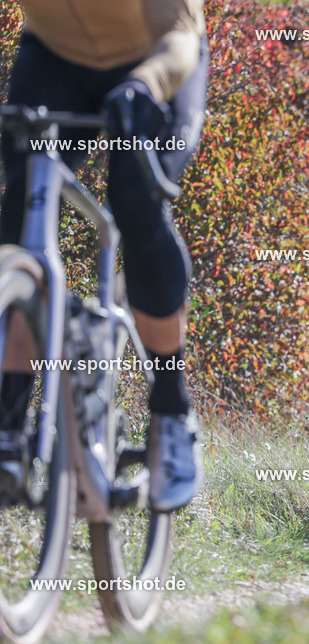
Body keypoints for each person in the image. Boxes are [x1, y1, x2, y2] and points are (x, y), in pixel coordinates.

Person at [0, 0, 207, 511]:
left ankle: (171, 410)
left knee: (137, 205)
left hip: (158, 61)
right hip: (55, 58)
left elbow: (179, 34)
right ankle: (9, 425)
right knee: (20, 211)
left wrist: (148, 84)